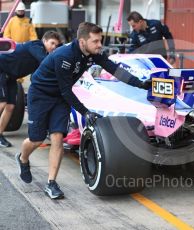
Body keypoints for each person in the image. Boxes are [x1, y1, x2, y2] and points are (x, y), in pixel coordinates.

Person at [15, 22, 151, 199]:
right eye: (95, 41)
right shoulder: (64, 55)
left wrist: (141, 84)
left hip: (60, 98)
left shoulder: (92, 53)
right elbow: (66, 90)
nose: (100, 45)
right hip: (41, 95)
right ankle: (23, 158)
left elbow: (115, 70)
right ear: (82, 41)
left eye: (100, 40)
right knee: (36, 139)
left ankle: (51, 183)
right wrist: (85, 112)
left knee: (57, 136)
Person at [0, 31, 61, 147]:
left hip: (11, 76)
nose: (54, 47)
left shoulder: (42, 57)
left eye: (56, 45)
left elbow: (36, 76)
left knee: (10, 106)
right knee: (2, 103)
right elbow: (46, 62)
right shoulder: (36, 46)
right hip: (1, 69)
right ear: (44, 41)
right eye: (52, 43)